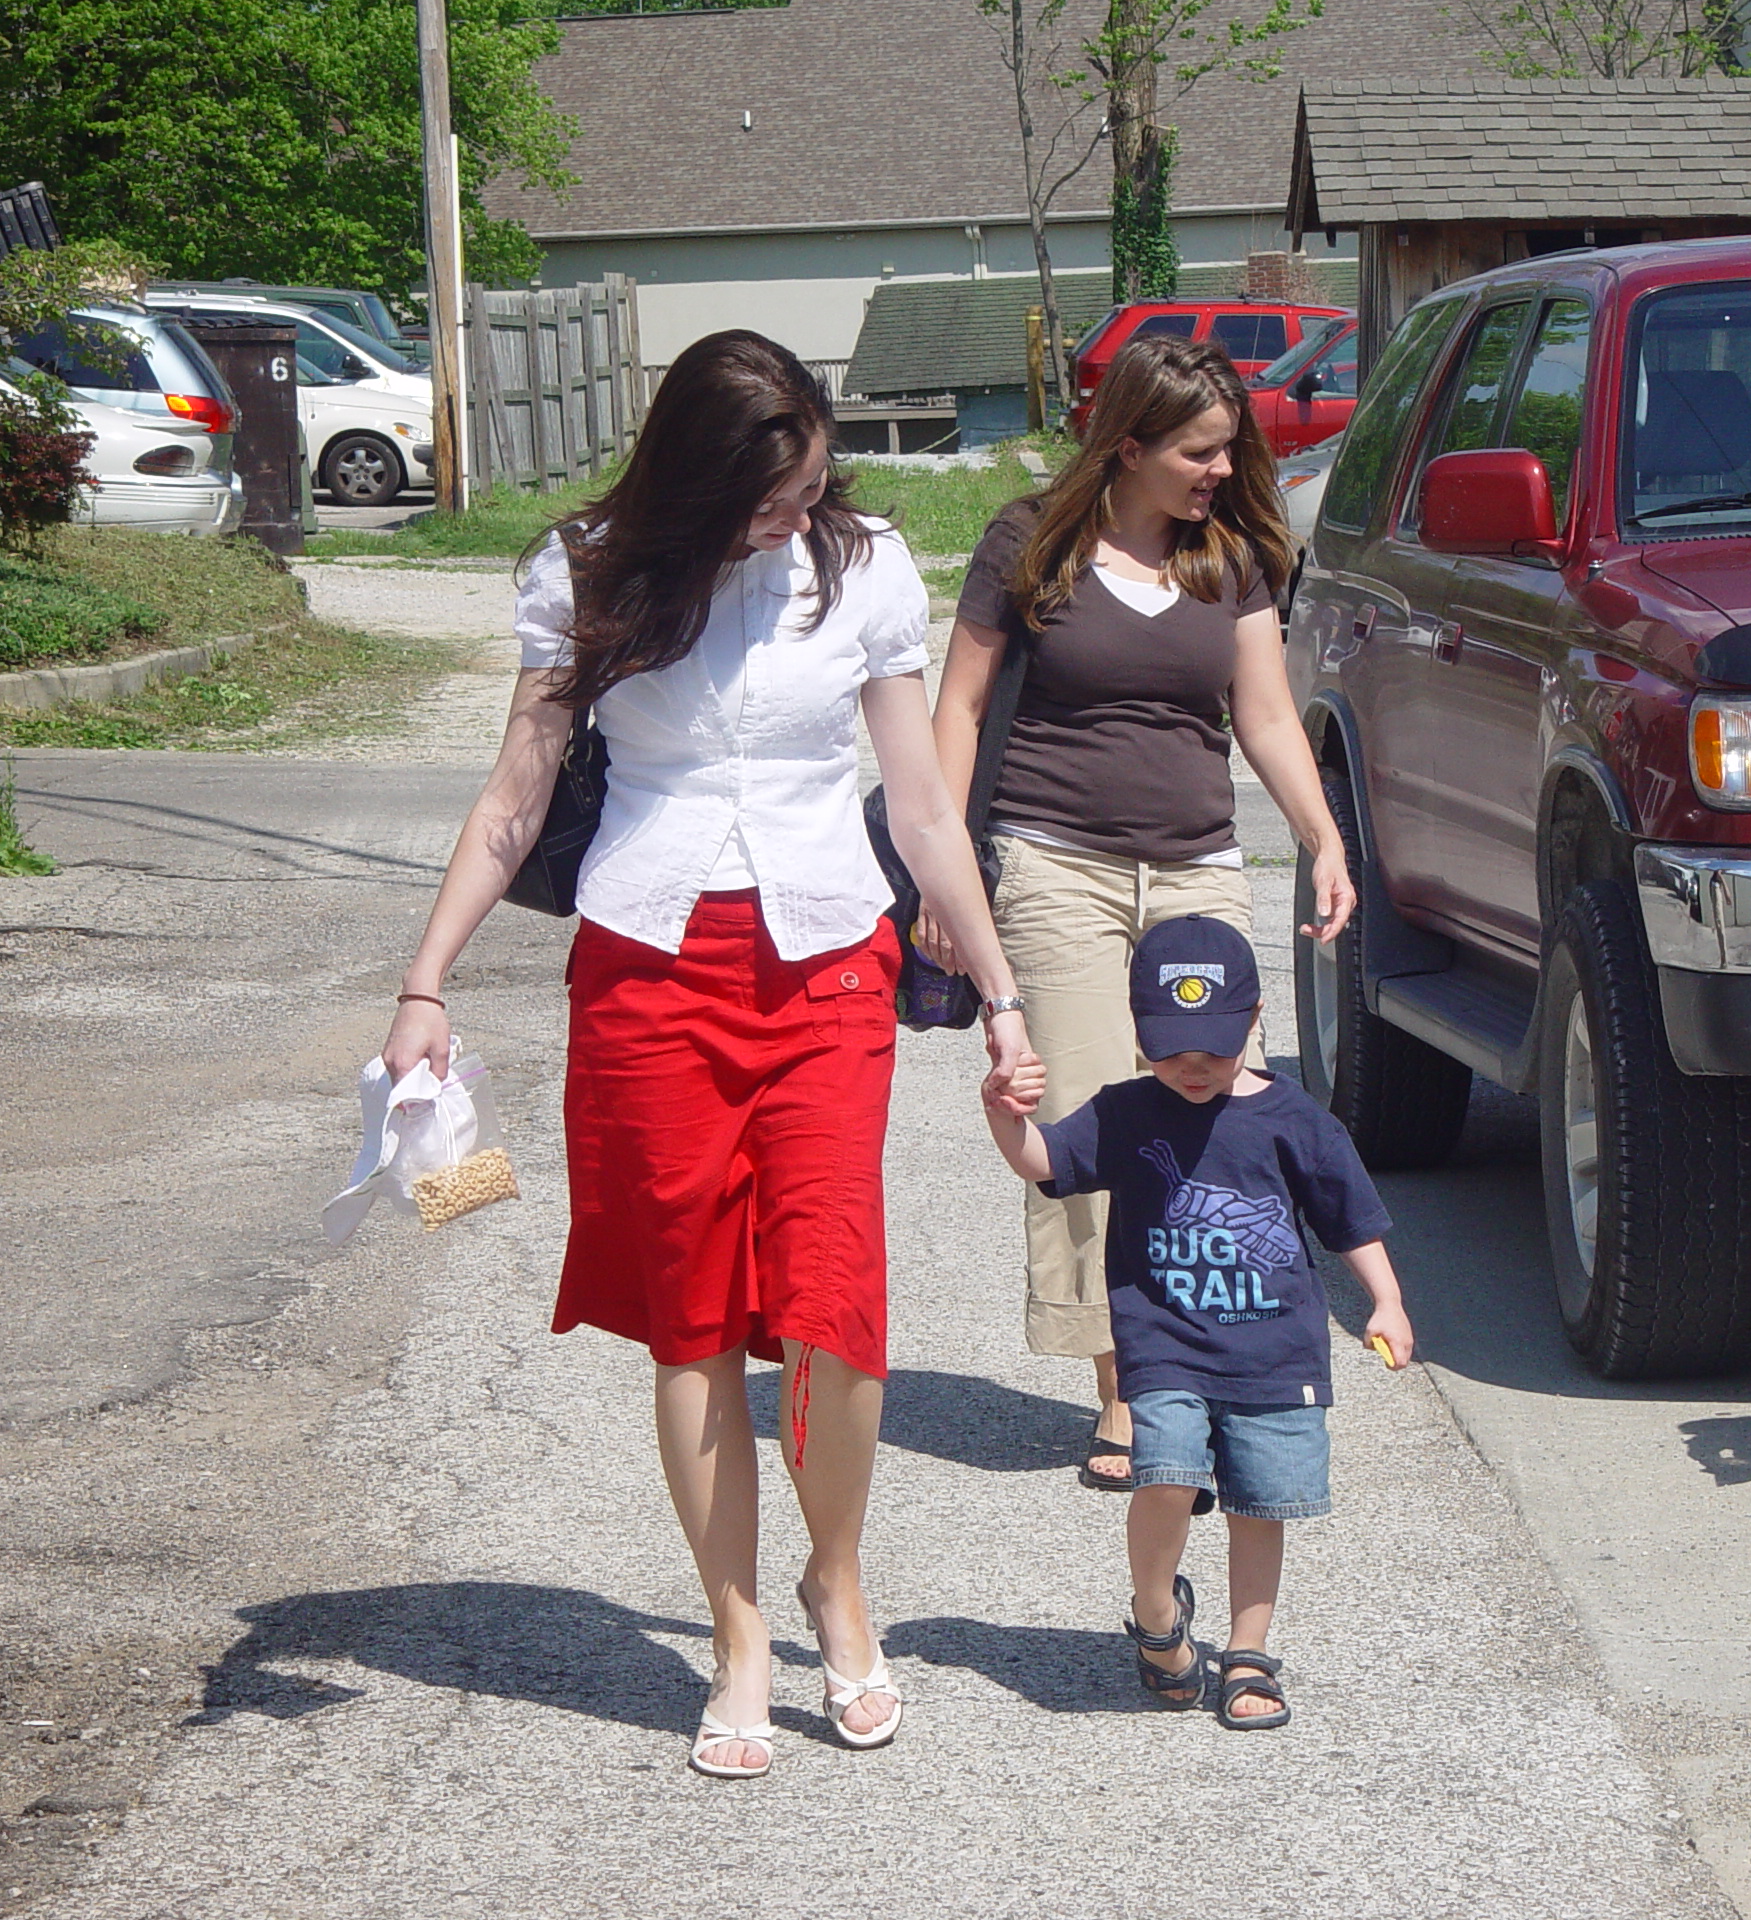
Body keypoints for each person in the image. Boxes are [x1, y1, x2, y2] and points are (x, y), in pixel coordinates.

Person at [379, 331, 1036, 1780]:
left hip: (825, 968)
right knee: (686, 1310)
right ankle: (737, 1634)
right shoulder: (591, 569)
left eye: (803, 493)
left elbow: (923, 808)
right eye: (762, 502)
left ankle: (837, 1580)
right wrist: (426, 981)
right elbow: (516, 793)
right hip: (646, 966)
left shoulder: (865, 569)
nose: (787, 522)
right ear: (694, 478)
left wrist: (998, 992)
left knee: (833, 1296)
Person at [927, 333, 1356, 1494]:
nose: (1220, 471)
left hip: (1197, 874)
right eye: (1197, 452)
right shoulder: (1032, 543)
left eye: (1228, 451)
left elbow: (1264, 717)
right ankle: (1124, 1389)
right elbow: (958, 711)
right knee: (1082, 1122)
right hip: (1051, 865)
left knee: (1219, 1129)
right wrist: (943, 866)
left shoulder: (1232, 559)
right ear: (1128, 446)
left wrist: (1322, 839)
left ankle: (1212, 1363)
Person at [980, 915, 1413, 1729]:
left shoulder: (1296, 1121)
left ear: (1254, 1022)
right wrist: (1006, 1115)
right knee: (1167, 1476)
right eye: (1172, 1045)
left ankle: (1249, 1655)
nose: (1193, 1065)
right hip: (1165, 1343)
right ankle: (1155, 1617)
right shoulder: (1125, 1113)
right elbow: (1047, 1164)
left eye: (1215, 1046)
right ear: (1139, 1029)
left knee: (1261, 1505)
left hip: (1275, 1352)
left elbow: (1350, 1218)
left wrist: (1385, 1300)